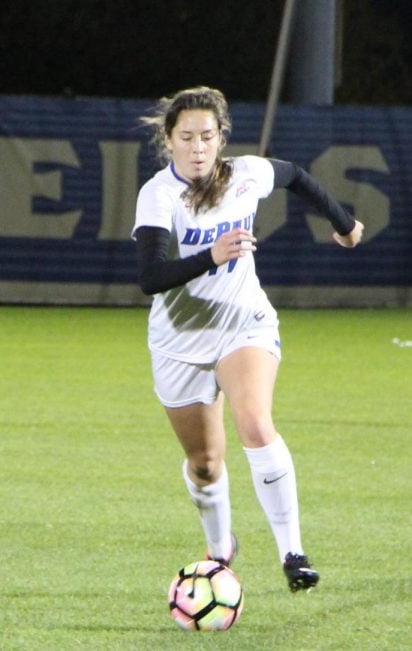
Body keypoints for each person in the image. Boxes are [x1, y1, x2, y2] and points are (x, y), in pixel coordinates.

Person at [132, 86, 363, 591]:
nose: (197, 147)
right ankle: (220, 552)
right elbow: (150, 277)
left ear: (221, 139)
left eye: (207, 137)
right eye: (186, 137)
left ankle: (293, 554)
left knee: (256, 424)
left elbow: (298, 177)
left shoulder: (246, 174)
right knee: (206, 464)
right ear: (169, 141)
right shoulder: (159, 195)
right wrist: (211, 255)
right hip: (179, 343)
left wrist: (345, 225)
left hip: (244, 323)